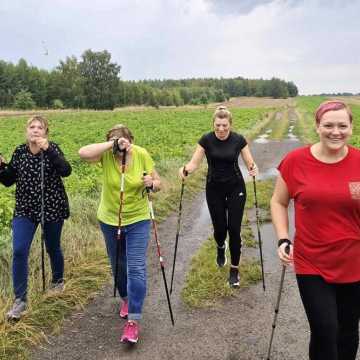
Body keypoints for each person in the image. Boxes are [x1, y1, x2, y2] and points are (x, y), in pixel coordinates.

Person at [271, 100, 360, 360]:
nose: (336, 132)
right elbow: (278, 201)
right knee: (324, 329)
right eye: (328, 125)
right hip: (312, 262)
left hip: (354, 262)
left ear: (351, 128)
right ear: (317, 126)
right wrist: (283, 238)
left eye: (342, 125)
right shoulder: (296, 161)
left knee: (347, 330)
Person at [78, 124, 161, 344]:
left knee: (135, 267)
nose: (120, 144)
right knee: (117, 264)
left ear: (131, 140)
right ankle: (126, 298)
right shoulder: (105, 155)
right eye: (115, 140)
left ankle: (133, 321)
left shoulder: (141, 154)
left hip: (138, 220)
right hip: (109, 220)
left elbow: (159, 183)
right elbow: (82, 153)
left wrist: (152, 183)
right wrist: (112, 144)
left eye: (123, 140)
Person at [0, 115, 71, 320]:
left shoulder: (52, 149)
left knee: (52, 247)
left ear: (46, 133)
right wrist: (1, 167)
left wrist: (48, 149)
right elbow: (8, 180)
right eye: (32, 127)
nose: (36, 130)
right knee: (20, 250)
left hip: (52, 207)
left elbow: (66, 170)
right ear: (27, 131)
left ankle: (57, 281)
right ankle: (20, 300)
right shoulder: (20, 152)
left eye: (40, 127)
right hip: (25, 209)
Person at [179, 105, 258, 287]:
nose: (221, 130)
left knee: (234, 229)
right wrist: (185, 170)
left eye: (225, 126)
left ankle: (234, 270)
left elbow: (250, 162)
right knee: (220, 229)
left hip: (235, 188)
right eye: (218, 126)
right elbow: (194, 163)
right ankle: (221, 247)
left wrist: (254, 169)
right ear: (213, 125)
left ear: (230, 125)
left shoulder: (239, 140)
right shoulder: (206, 140)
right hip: (214, 188)